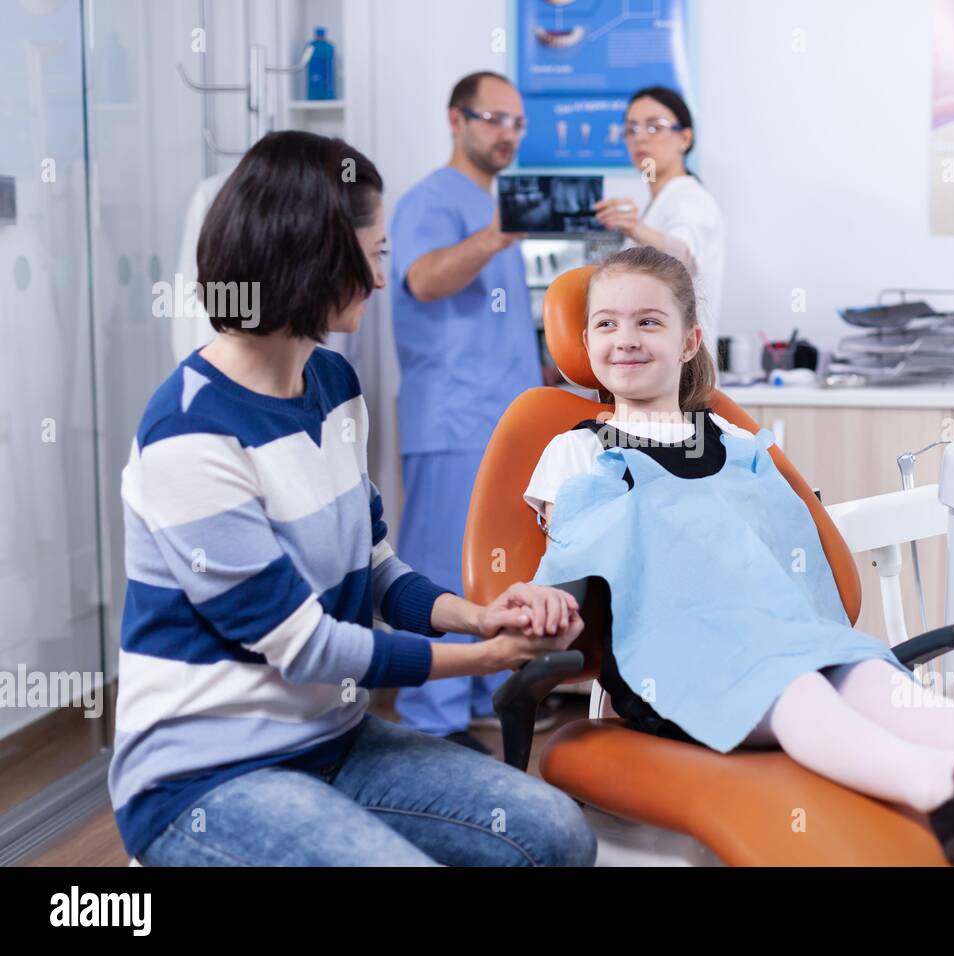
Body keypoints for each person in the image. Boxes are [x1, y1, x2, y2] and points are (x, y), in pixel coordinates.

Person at [522, 246, 954, 864]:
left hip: (773, 636)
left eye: (649, 321)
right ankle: (947, 794)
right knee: (802, 690)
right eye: (606, 323)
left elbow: (777, 553)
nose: (626, 338)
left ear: (688, 342)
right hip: (670, 665)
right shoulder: (576, 452)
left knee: (868, 673)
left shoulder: (737, 444)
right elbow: (571, 560)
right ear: (586, 340)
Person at [109, 130, 596, 867]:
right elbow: (308, 648)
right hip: (203, 779)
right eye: (371, 255)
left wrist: (478, 616)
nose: (377, 280)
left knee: (555, 836)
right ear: (310, 260)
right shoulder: (190, 433)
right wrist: (485, 657)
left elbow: (374, 569)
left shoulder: (332, 386)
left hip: (332, 741)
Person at [389, 71, 559, 749]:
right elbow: (425, 280)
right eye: (493, 119)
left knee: (501, 563)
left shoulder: (494, 209)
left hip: (503, 420)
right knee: (437, 564)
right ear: (455, 119)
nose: (507, 134)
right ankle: (432, 719)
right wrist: (496, 235)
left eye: (517, 123)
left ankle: (494, 690)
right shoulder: (429, 202)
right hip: (452, 416)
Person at [595, 86, 725, 357]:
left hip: (681, 369)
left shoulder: (688, 198)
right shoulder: (657, 204)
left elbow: (683, 255)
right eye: (631, 129)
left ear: (685, 138)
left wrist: (634, 228)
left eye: (654, 127)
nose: (640, 138)